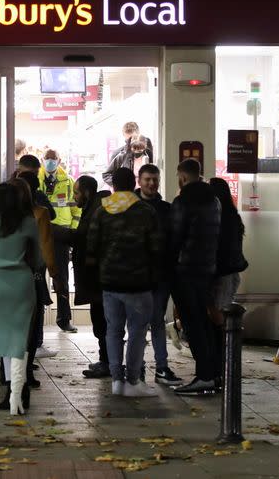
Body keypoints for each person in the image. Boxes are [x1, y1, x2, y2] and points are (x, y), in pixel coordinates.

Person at [87, 167, 161, 397]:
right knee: (137, 331)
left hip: (110, 281)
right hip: (138, 282)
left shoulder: (102, 211)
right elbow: (156, 248)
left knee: (113, 331)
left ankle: (116, 380)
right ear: (134, 183)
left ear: (114, 186)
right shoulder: (146, 211)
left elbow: (91, 247)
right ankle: (133, 381)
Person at [0, 183, 42, 415]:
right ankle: (16, 399)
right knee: (19, 341)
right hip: (21, 285)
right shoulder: (28, 222)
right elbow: (36, 258)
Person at [168, 159, 222, 396]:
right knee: (205, 322)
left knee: (193, 324)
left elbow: (175, 238)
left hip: (186, 271)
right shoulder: (215, 201)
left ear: (182, 177)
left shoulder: (183, 201)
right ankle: (213, 372)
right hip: (207, 270)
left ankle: (204, 376)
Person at [58, 175, 111, 378]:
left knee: (102, 321)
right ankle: (105, 359)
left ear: (87, 193)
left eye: (77, 192)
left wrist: (55, 232)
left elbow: (83, 238)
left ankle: (108, 362)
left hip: (97, 277)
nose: (74, 197)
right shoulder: (94, 208)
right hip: (96, 277)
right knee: (100, 320)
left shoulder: (96, 210)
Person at [136, 164, 183, 386]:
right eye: (147, 179)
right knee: (137, 324)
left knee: (156, 321)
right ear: (139, 180)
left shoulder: (167, 209)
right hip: (137, 274)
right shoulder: (131, 207)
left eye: (155, 179)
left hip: (161, 274)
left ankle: (161, 367)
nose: (151, 183)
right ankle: (138, 367)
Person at [16, 172, 56, 390]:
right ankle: (26, 371)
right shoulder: (38, 214)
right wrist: (55, 275)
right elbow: (46, 247)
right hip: (33, 276)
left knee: (12, 328)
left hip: (5, 280)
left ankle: (8, 374)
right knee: (31, 326)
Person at [208, 177, 249, 383]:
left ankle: (222, 365)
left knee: (220, 319)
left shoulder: (220, 218)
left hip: (222, 275)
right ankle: (224, 364)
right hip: (232, 274)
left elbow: (220, 252)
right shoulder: (233, 216)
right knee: (223, 318)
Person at [39, 149, 78, 333]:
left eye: (53, 159)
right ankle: (37, 322)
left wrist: (73, 231)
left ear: (59, 160)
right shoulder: (38, 179)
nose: (50, 162)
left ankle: (64, 319)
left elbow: (75, 208)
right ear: (42, 160)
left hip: (61, 234)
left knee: (61, 278)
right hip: (40, 232)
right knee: (38, 277)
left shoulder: (68, 181)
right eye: (47, 159)